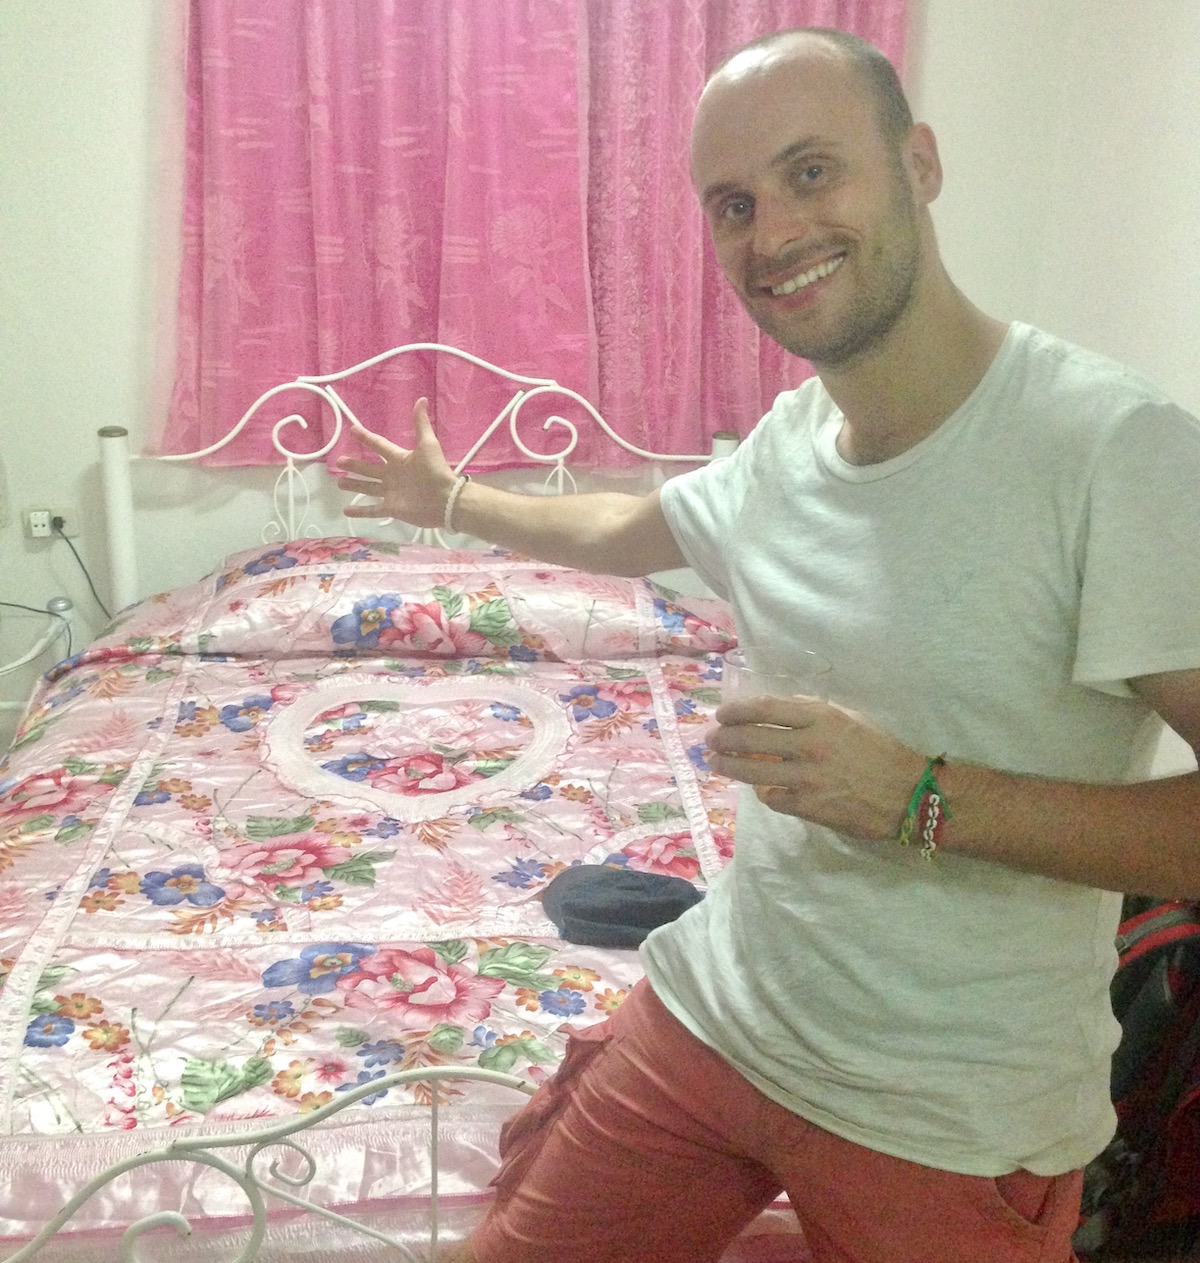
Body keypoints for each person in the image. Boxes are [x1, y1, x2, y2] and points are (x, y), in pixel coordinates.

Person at [335, 27, 1200, 1263]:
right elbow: (631, 527)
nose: (774, 233)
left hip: (944, 1114)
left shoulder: (1114, 452)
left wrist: (916, 798)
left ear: (920, 163)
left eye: (811, 172)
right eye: (733, 205)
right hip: (719, 1020)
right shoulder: (791, 445)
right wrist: (454, 502)